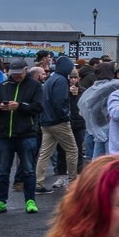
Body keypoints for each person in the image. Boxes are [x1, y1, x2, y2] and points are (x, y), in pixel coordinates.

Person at [0, 58, 43, 214]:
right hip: (4, 134)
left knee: (28, 170)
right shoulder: (3, 86)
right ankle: (0, 201)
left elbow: (38, 107)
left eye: (19, 73)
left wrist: (20, 106)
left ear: (26, 70)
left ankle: (30, 200)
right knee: (3, 171)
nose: (16, 76)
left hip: (26, 134)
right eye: (13, 73)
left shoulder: (35, 86)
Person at [36, 56, 78, 194]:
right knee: (72, 150)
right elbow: (60, 102)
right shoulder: (61, 80)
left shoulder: (50, 80)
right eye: (71, 66)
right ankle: (73, 182)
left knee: (44, 153)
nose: (72, 69)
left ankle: (38, 183)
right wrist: (65, 116)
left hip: (46, 122)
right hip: (58, 122)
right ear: (66, 67)